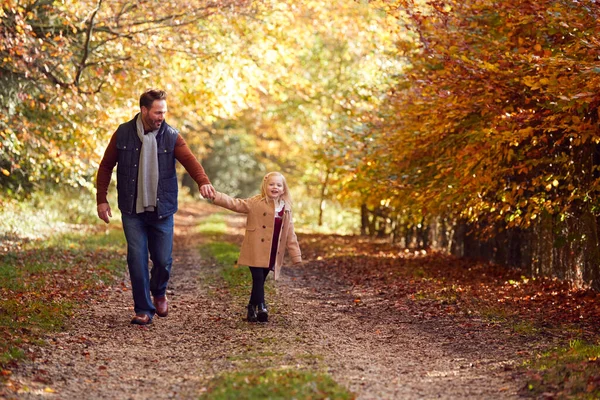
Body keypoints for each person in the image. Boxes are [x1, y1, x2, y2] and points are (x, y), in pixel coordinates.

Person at [96, 89, 216, 325]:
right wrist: (101, 199)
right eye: (157, 112)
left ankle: (159, 291)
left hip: (162, 209)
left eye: (164, 112)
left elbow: (190, 160)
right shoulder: (123, 133)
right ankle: (143, 309)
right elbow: (106, 166)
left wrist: (203, 182)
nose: (161, 116)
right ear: (144, 111)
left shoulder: (171, 135)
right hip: (132, 208)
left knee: (162, 260)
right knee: (137, 258)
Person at [209, 172, 302, 322]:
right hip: (255, 248)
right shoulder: (256, 202)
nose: (275, 187)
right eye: (271, 184)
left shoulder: (286, 209)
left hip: (271, 252)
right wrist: (216, 196)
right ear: (265, 186)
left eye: (279, 185)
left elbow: (290, 233)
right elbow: (235, 203)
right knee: (257, 278)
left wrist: (295, 254)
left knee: (260, 280)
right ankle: (262, 307)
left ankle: (251, 307)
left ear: (284, 189)